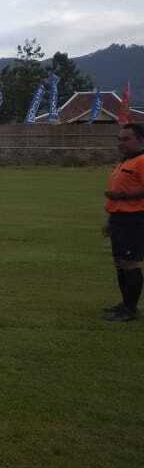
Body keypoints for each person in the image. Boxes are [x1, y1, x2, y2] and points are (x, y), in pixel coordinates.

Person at [102, 124, 144, 322]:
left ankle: (130, 309)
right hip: (119, 218)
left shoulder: (142, 161)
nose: (121, 143)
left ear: (141, 140)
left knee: (130, 263)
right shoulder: (126, 161)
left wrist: (123, 196)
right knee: (120, 262)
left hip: (134, 219)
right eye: (119, 139)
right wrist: (110, 220)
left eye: (126, 139)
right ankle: (125, 303)